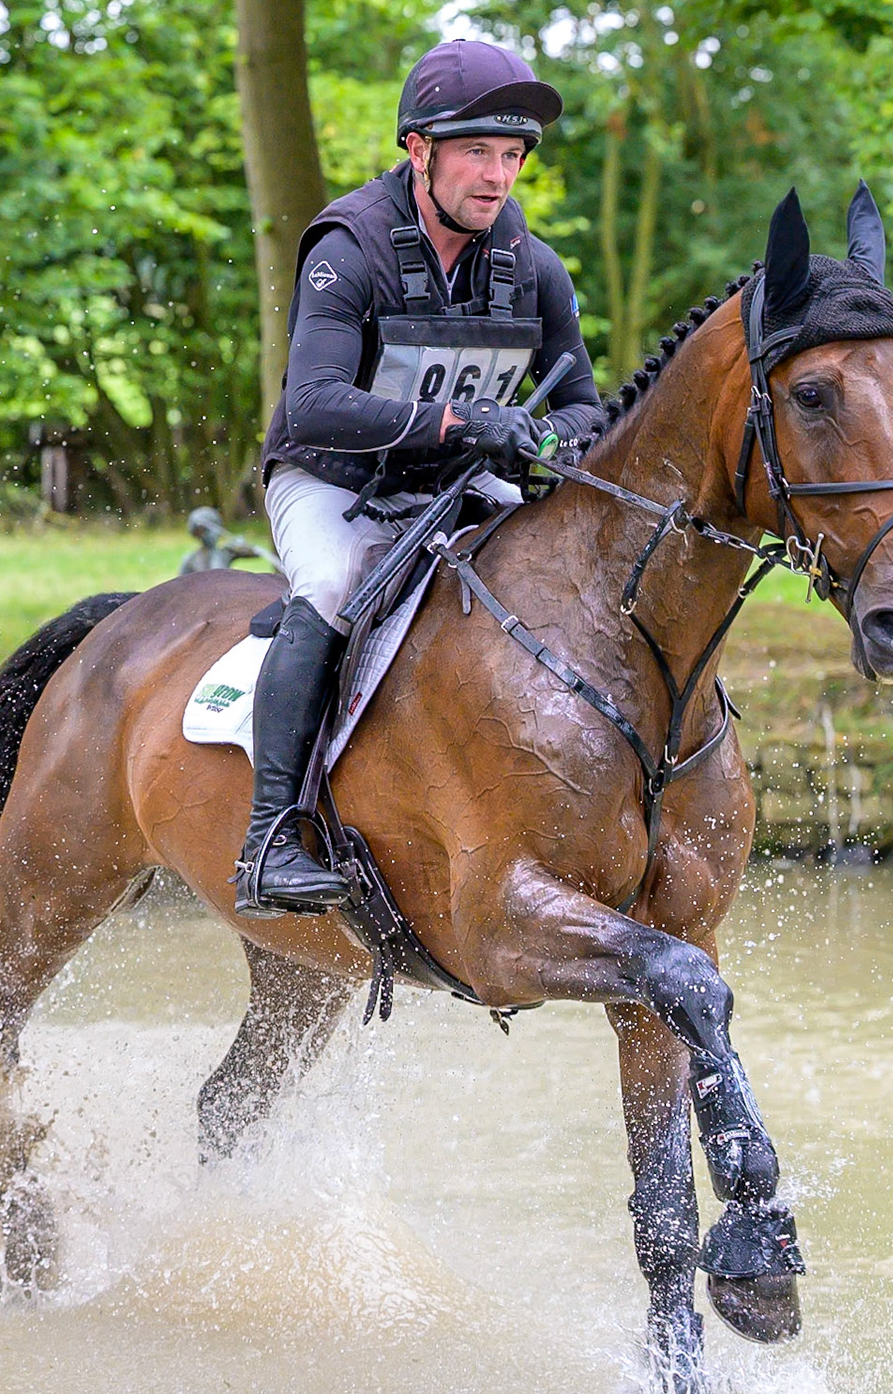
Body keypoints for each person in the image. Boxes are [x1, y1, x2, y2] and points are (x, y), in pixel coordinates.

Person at [235, 38, 605, 919]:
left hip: (463, 487)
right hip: (335, 482)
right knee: (330, 584)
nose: (497, 176)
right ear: (418, 150)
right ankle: (269, 840)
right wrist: (471, 422)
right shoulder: (348, 247)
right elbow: (316, 402)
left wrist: (540, 435)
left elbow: (590, 408)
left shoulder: (534, 268)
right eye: (477, 151)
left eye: (511, 155)